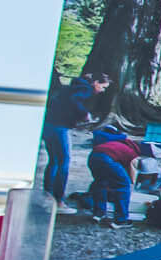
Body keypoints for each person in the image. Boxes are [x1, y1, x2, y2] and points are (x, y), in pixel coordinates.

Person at [39, 70, 112, 210]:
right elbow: (74, 100)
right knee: (64, 162)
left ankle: (47, 197)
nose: (102, 91)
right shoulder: (84, 89)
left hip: (48, 125)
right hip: (60, 128)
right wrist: (84, 114)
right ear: (96, 83)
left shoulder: (73, 86)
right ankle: (58, 201)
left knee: (53, 161)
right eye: (103, 87)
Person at [82, 127, 142, 224]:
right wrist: (132, 183)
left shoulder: (118, 144)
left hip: (93, 156)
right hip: (106, 158)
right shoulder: (133, 153)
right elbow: (130, 171)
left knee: (100, 183)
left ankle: (98, 213)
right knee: (123, 186)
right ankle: (121, 220)